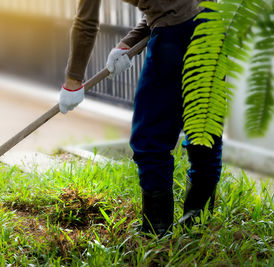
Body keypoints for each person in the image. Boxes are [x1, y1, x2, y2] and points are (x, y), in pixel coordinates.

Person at [59, 0, 222, 236]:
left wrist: (72, 82)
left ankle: (156, 232)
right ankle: (198, 225)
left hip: (175, 34)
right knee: (203, 127)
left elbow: (86, 24)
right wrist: (128, 42)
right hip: (212, 25)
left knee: (150, 139)